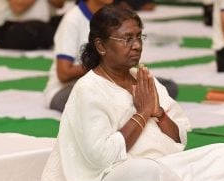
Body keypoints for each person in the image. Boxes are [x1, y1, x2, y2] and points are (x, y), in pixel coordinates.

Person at [35, 5, 224, 181]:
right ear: (101, 45)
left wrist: (159, 113)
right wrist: (141, 114)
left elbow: (179, 139)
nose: (137, 45)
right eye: (127, 38)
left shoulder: (142, 79)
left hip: (162, 174)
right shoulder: (89, 89)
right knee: (144, 172)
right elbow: (101, 158)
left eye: (139, 36)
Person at [44, 0, 178, 112]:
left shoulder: (118, 15)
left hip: (112, 80)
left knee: (165, 87)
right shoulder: (73, 19)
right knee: (99, 98)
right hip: (67, 89)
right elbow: (63, 73)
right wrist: (105, 65)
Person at [0, 0, 65, 50]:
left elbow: (60, 4)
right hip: (8, 29)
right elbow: (18, 7)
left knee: (68, 20)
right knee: (41, 29)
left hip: (43, 23)